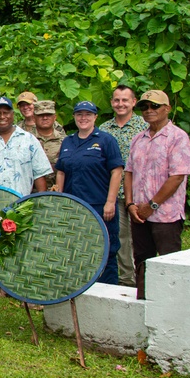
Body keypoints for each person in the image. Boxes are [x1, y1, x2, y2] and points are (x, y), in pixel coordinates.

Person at [123, 90, 190, 300]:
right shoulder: (139, 139)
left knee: (169, 263)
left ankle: (172, 307)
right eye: (144, 107)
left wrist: (151, 206)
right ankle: (143, 304)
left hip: (166, 216)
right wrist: (130, 204)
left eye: (154, 106)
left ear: (167, 109)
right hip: (139, 214)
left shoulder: (178, 137)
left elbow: (177, 177)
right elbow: (129, 172)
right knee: (142, 261)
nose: (149, 110)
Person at [54, 101, 123, 285]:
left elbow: (116, 171)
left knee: (106, 250)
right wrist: (59, 196)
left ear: (95, 117)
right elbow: (61, 170)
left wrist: (110, 202)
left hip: (99, 205)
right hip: (74, 206)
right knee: (76, 248)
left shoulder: (106, 140)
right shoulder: (68, 141)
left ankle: (108, 291)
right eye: (79, 114)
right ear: (74, 117)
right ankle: (81, 288)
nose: (83, 118)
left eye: (88, 114)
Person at [99, 85, 147, 288]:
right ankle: (128, 280)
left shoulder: (144, 127)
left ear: (134, 102)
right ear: (111, 103)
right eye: (117, 100)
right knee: (121, 238)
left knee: (143, 239)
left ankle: (146, 278)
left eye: (125, 100)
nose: (120, 104)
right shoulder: (103, 129)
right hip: (113, 193)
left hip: (140, 193)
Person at [32, 100, 63, 189]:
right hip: (31, 192)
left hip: (58, 190)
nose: (45, 118)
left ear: (55, 117)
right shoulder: (26, 140)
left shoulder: (65, 140)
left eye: (48, 115)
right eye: (40, 115)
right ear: (34, 118)